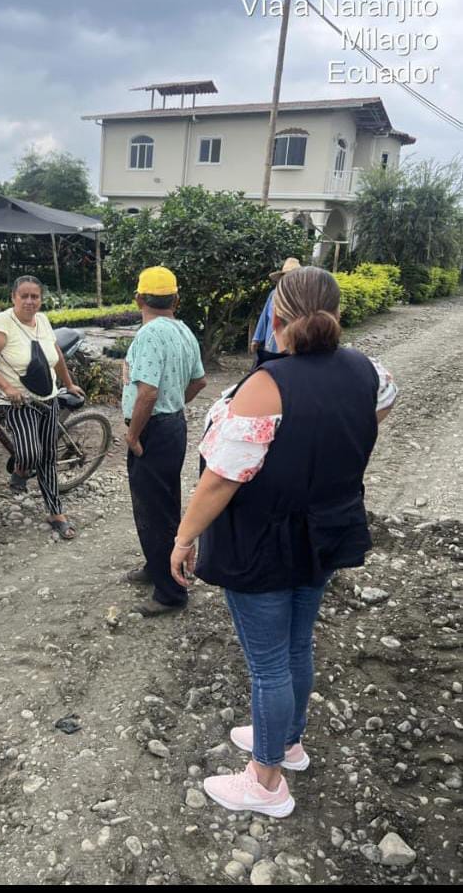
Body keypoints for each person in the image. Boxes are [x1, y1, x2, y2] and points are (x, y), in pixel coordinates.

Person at [170, 266, 396, 817]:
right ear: (337, 314)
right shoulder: (369, 371)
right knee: (297, 646)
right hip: (325, 532)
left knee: (269, 664)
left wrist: (183, 538)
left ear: (275, 318)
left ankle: (266, 780)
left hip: (262, 542)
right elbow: (377, 411)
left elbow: (221, 479)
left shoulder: (265, 387)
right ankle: (287, 741)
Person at [0, 276, 85, 540]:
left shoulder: (42, 321)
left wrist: (68, 383)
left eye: (35, 296)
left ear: (41, 300)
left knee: (47, 457)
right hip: (18, 401)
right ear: (13, 297)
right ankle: (21, 470)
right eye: (24, 296)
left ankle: (56, 512)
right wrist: (6, 388)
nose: (30, 301)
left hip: (48, 399)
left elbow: (56, 354)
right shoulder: (2, 323)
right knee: (30, 452)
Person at [122, 267, 207, 617]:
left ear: (139, 299)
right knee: (165, 502)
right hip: (173, 426)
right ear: (176, 299)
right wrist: (174, 402)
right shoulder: (183, 330)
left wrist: (132, 434)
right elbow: (199, 382)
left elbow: (148, 392)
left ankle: (170, 593)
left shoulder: (149, 334)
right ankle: (157, 566)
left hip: (153, 429)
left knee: (152, 508)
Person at [250, 257, 301, 356]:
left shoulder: (302, 298)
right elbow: (265, 317)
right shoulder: (274, 294)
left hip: (291, 342)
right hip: (272, 341)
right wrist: (256, 338)